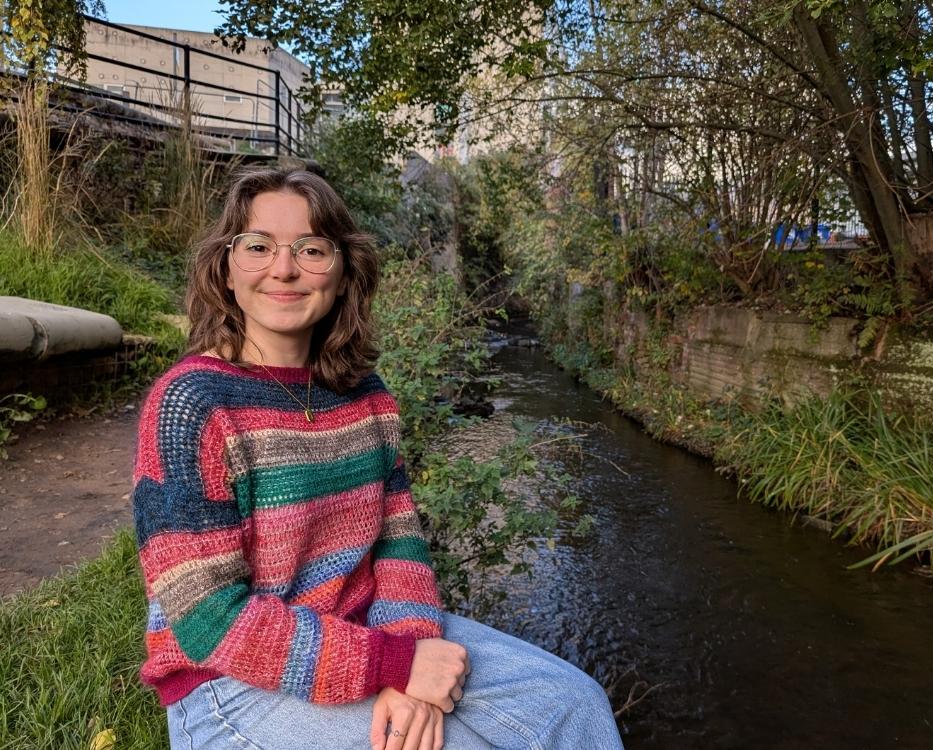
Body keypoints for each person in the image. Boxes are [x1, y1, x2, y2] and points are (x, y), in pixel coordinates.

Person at [132, 166, 625, 750]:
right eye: (258, 246)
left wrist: (409, 650)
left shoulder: (366, 395)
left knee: (575, 705)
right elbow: (209, 619)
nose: (283, 268)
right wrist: (393, 665)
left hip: (362, 627)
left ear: (343, 274)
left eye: (311, 249)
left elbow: (397, 539)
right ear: (227, 268)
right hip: (229, 686)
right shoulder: (190, 406)